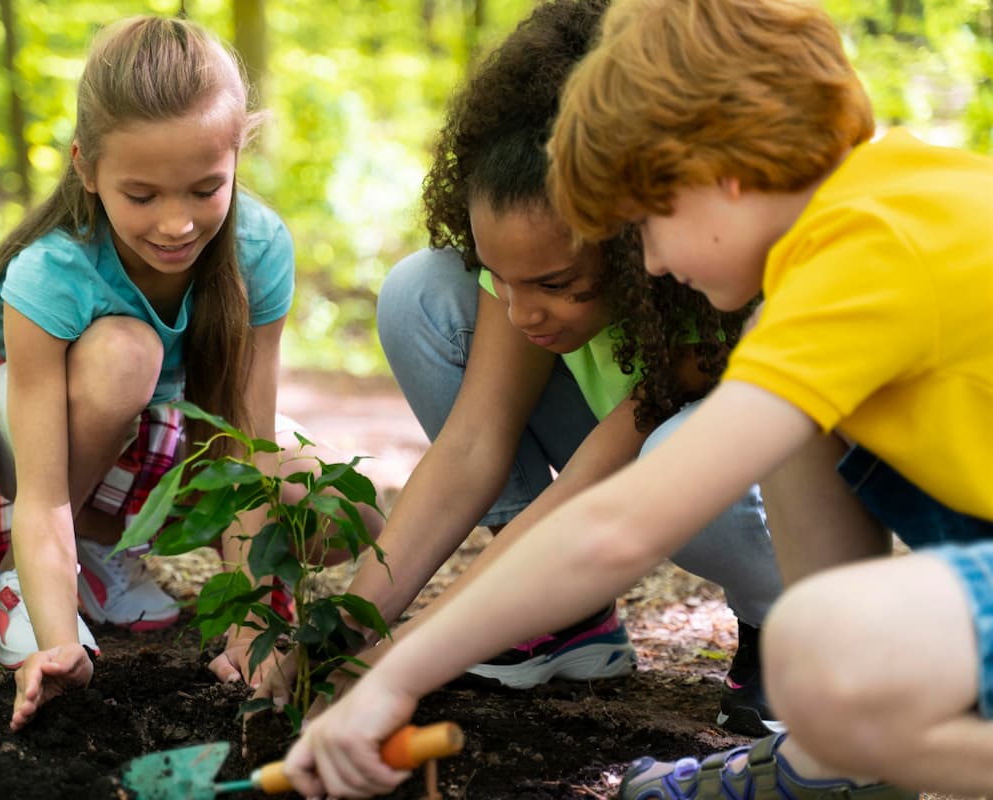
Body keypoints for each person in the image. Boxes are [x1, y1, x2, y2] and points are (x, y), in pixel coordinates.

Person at [278, 0, 993, 797]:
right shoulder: (872, 215)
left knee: (827, 652)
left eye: (646, 220)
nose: (646, 262)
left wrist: (392, 677)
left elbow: (617, 526)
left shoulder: (866, 256)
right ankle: (826, 772)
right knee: (820, 618)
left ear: (717, 173)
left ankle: (850, 755)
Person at [259, 0, 783, 738]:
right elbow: (471, 447)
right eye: (502, 279)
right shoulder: (525, 279)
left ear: (639, 242)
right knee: (421, 290)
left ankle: (783, 623)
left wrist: (404, 659)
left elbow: (589, 492)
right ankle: (558, 618)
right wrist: (345, 632)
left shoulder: (714, 281)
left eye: (556, 285)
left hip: (743, 488)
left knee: (682, 455)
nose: (519, 312)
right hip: (618, 476)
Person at [0, 15, 380, 732]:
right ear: (86, 167)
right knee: (125, 352)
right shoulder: (53, 271)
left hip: (154, 433)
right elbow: (42, 493)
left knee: (344, 512)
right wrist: (54, 645)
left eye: (205, 189)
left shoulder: (259, 249)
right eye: (142, 196)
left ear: (237, 158)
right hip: (22, 453)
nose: (176, 225)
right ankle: (24, 585)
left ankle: (104, 554)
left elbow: (246, 448)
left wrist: (252, 612)